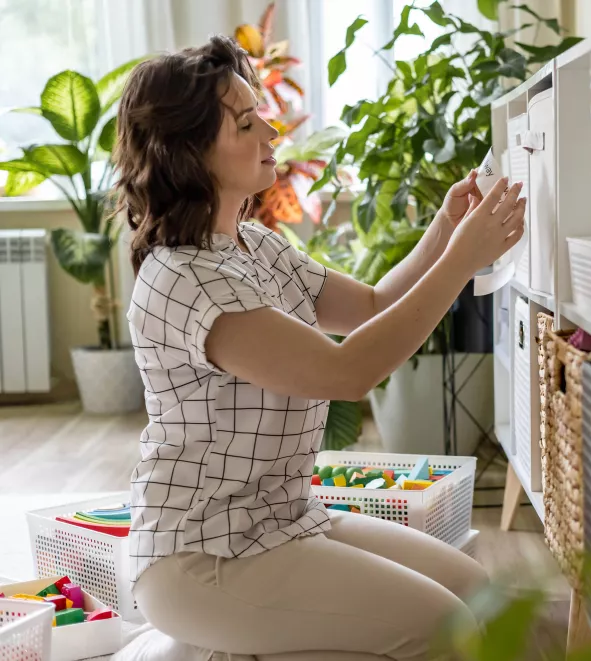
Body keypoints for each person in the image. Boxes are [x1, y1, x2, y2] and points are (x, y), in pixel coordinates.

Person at [113, 35, 525, 661]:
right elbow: (347, 371)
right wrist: (464, 258)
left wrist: (445, 232)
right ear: (188, 152)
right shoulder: (183, 278)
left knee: (477, 592)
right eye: (247, 122)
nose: (272, 131)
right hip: (201, 556)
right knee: (449, 629)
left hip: (280, 519)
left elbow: (371, 307)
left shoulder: (256, 247)